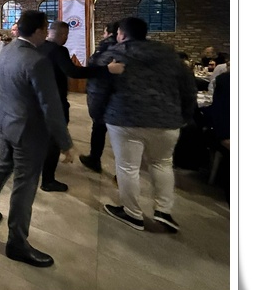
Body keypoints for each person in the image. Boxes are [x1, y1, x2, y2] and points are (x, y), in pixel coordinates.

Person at [0, 10, 74, 268]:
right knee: (25, 183)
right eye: (46, 29)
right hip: (27, 130)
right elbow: (51, 106)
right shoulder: (37, 61)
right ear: (38, 31)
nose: (47, 34)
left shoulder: (4, 50)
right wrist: (65, 142)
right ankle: (17, 242)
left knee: (2, 167)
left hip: (4, 121)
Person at [90, 17, 196, 233]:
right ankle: (163, 211)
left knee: (127, 167)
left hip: (125, 118)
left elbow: (98, 88)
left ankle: (132, 213)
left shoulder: (114, 54)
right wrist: (185, 114)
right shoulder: (169, 55)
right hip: (166, 119)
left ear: (121, 34)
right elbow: (188, 88)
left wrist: (97, 114)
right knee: (162, 164)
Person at [37, 21, 124, 192]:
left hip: (38, 99)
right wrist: (106, 69)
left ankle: (39, 169)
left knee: (43, 137)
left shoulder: (38, 47)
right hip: (55, 101)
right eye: (67, 35)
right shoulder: (59, 50)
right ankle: (48, 180)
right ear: (63, 34)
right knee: (54, 140)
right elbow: (73, 72)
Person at [80, 21, 120, 173]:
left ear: (109, 33)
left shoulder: (107, 48)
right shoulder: (127, 49)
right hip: (114, 94)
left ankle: (95, 159)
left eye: (104, 32)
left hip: (102, 93)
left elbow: (94, 67)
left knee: (100, 127)